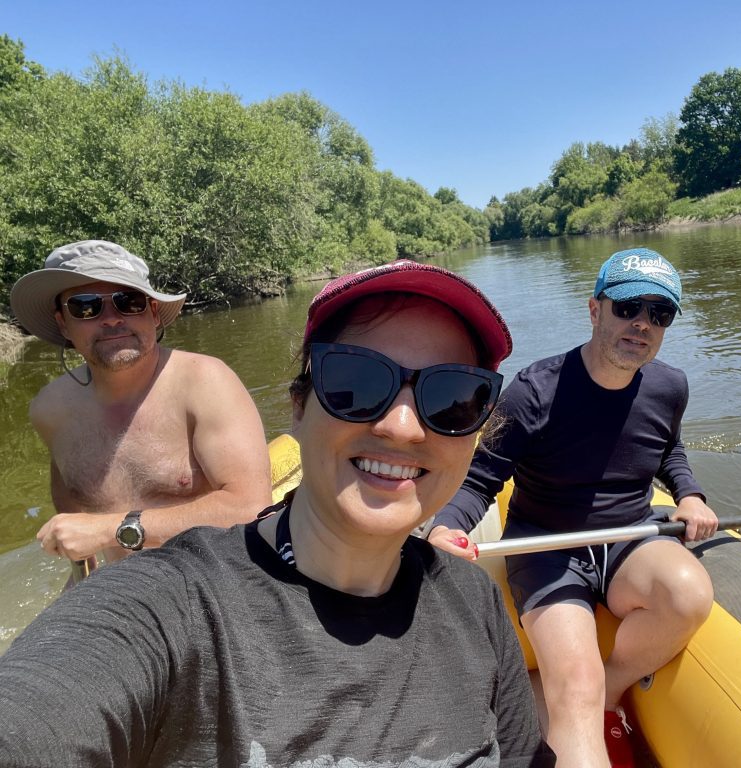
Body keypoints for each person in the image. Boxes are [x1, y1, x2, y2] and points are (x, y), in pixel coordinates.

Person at [0, 259, 555, 766]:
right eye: (355, 384)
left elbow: (243, 500)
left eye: (454, 399)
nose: (402, 426)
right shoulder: (168, 612)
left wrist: (117, 527)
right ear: (298, 405)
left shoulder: (474, 602)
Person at [428, 247, 718, 767]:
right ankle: (577, 703)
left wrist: (690, 492)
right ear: (594, 309)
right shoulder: (532, 392)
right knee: (574, 684)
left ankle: (613, 690)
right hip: (546, 546)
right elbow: (479, 480)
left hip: (629, 537)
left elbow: (669, 449)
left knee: (689, 593)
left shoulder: (670, 385)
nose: (642, 325)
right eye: (628, 308)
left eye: (660, 314)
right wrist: (447, 525)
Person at [9, 240, 272, 568]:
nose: (111, 319)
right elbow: (74, 526)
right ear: (63, 322)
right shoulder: (50, 409)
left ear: (152, 313)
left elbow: (250, 508)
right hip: (124, 589)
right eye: (86, 306)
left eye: (128, 302)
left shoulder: (205, 382)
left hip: (214, 578)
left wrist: (112, 530)